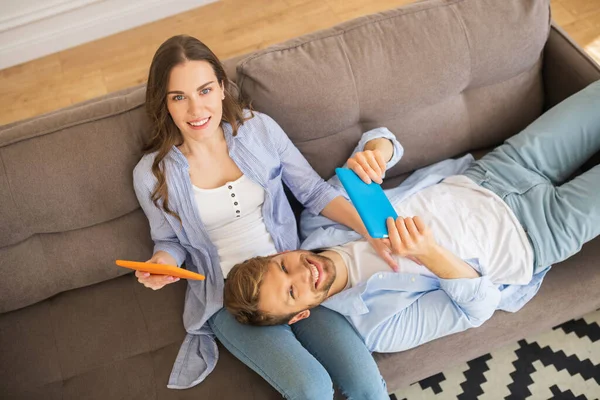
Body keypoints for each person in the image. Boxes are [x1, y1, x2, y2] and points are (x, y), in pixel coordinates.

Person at [223, 80, 600, 354]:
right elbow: (477, 309)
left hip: (497, 172)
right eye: (292, 292)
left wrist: (377, 152)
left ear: (277, 254)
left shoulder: (319, 221)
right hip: (539, 234)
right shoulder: (378, 327)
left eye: (284, 266)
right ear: (299, 315)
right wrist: (429, 253)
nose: (303, 273)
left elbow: (382, 138)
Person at [132, 34, 400, 398]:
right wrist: (161, 264)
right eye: (179, 97)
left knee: (368, 387)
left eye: (205, 90)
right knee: (312, 388)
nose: (196, 110)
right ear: (164, 104)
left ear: (223, 88)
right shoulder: (152, 173)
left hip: (294, 274)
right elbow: (168, 241)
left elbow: (314, 192)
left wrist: (371, 232)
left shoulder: (258, 129)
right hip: (231, 297)